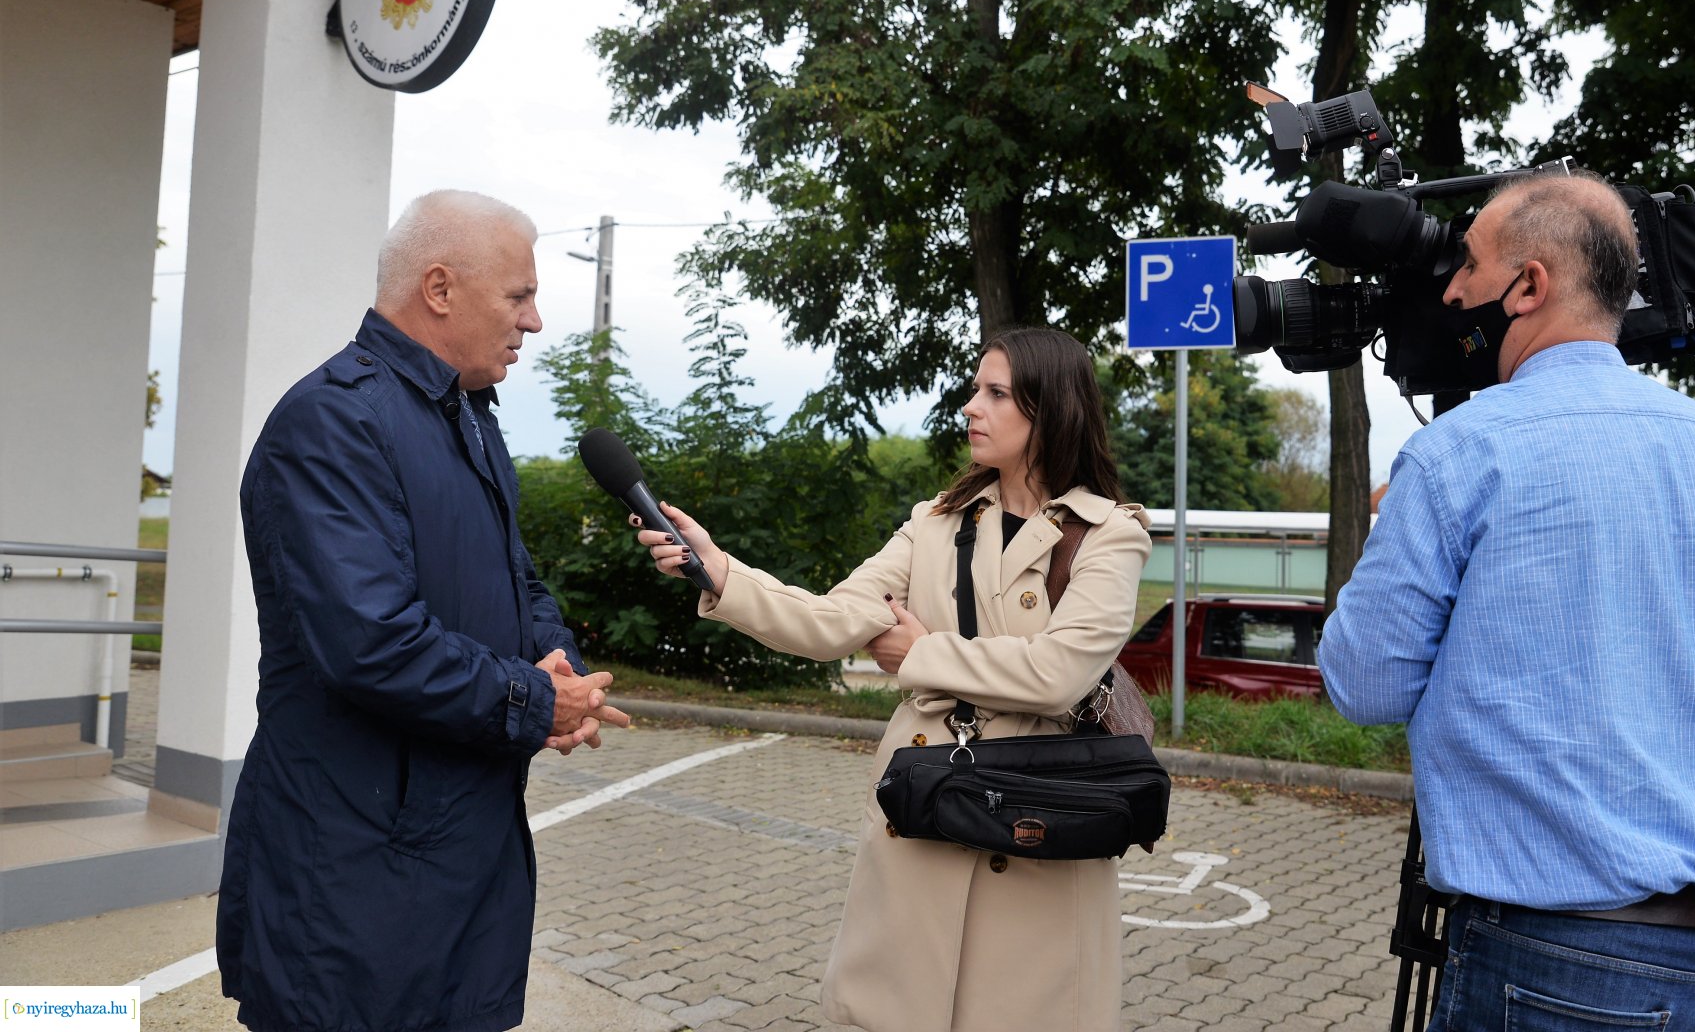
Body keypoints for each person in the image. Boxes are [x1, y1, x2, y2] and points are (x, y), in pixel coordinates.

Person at [1318, 173, 1695, 1028]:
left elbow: (1366, 685)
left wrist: (1391, 532)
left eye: (1467, 265)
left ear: (1529, 285)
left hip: (1557, 967)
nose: (1450, 290)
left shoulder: (1457, 458)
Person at [635, 327, 1152, 1032]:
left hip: (1041, 821)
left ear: (1050, 407)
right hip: (928, 806)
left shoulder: (1109, 535)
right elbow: (830, 621)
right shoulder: (935, 525)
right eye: (976, 389)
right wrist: (720, 571)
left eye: (996, 394)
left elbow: (1058, 675)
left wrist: (920, 653)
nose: (971, 407)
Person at [216, 190, 632, 1032]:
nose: (536, 320)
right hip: (354, 876)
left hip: (455, 861)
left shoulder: (466, 419)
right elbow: (371, 643)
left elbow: (519, 583)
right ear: (438, 289)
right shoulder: (334, 423)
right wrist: (533, 701)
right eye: (518, 296)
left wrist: (557, 663)